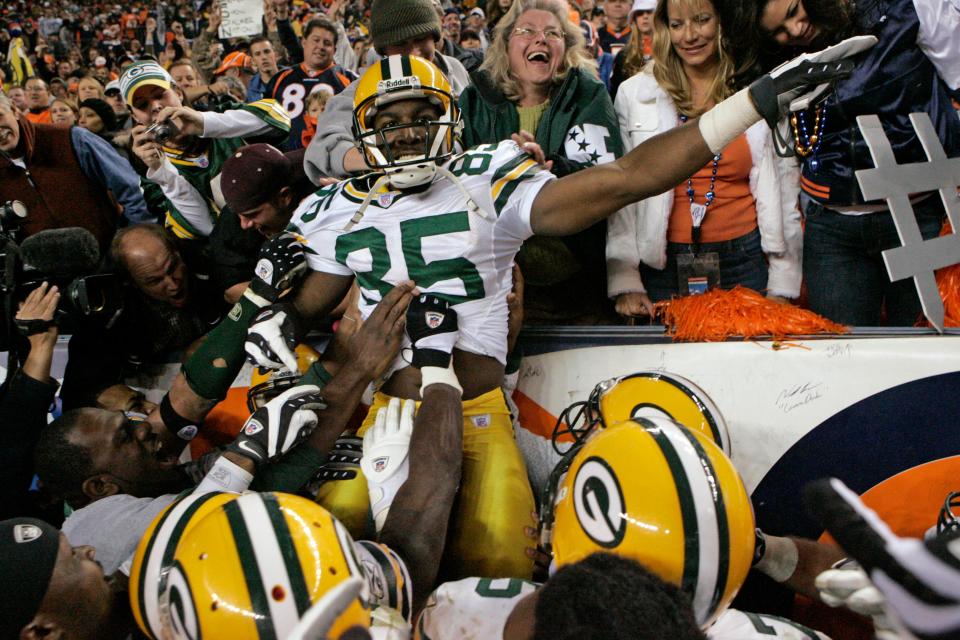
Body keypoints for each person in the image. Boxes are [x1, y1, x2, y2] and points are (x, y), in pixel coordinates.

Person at [246, 50, 855, 580]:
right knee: (337, 553)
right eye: (392, 121)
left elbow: (627, 177)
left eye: (422, 115)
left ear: (449, 116)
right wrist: (270, 319)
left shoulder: (485, 180)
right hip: (383, 413)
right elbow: (300, 309)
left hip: (478, 410)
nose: (408, 133)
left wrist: (750, 103)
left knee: (501, 560)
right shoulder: (336, 209)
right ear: (364, 129)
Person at [741, 0, 960, 325]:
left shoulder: (906, 8)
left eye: (793, 12)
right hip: (832, 230)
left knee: (925, 354)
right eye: (779, 32)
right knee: (842, 359)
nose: (796, 29)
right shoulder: (780, 61)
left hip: (920, 214)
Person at [606, 0, 802, 319]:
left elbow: (785, 183)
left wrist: (783, 283)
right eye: (677, 24)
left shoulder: (759, 88)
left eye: (701, 20)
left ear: (722, 21)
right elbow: (623, 194)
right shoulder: (634, 93)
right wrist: (625, 279)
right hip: (662, 265)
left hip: (746, 259)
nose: (689, 35)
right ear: (664, 29)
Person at [460, 0, 623, 323]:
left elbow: (605, 179)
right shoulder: (474, 99)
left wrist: (549, 168)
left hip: (572, 287)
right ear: (505, 46)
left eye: (553, 33)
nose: (541, 39)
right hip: (490, 285)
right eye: (527, 31)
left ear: (566, 48)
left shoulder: (587, 95)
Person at [121, 59, 291, 240]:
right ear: (135, 116)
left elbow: (281, 121)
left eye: (160, 94)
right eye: (142, 105)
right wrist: (163, 171)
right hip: (238, 254)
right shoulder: (153, 176)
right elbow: (206, 229)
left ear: (178, 92)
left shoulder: (220, 116)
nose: (155, 106)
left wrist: (204, 124)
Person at [304, 0, 472, 181]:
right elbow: (322, 148)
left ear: (434, 36)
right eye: (401, 43)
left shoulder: (456, 69)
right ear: (383, 49)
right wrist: (378, 161)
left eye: (420, 39)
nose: (415, 52)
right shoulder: (366, 89)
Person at [0, 92, 150, 249]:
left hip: (108, 261)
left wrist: (133, 244)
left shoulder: (73, 139)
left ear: (14, 110)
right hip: (41, 271)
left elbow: (134, 191)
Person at [266, 16, 357, 151]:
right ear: (304, 42)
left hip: (333, 158)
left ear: (334, 50)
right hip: (285, 158)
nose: (320, 46)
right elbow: (266, 121)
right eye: (316, 40)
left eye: (327, 43)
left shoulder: (349, 79)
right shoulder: (280, 78)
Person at [609, 0, 655, 98]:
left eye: (649, 12)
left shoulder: (669, 51)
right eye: (640, 13)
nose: (645, 16)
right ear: (634, 20)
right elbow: (616, 93)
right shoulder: (624, 55)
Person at [246, 34, 281, 102]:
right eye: (258, 54)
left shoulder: (291, 76)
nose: (263, 57)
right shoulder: (252, 89)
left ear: (275, 54)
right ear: (253, 61)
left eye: (267, 52)